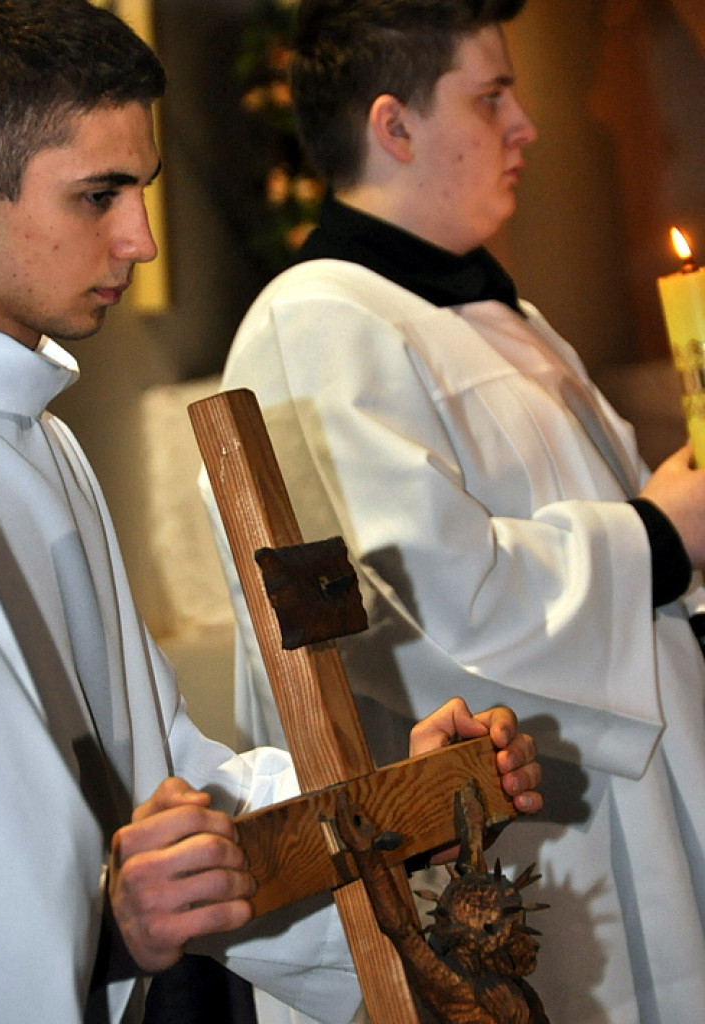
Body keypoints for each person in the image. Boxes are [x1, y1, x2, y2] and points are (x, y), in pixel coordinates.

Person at [0, 3, 543, 1023]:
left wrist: (391, 803)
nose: (138, 238)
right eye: (99, 194)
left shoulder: (42, 440)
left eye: (142, 191)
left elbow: (166, 780)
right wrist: (106, 931)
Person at [203, 1, 705, 1023]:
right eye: (491, 97)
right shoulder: (315, 322)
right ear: (394, 125)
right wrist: (658, 537)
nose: (526, 126)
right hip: (529, 861)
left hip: (647, 804)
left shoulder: (497, 313)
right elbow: (418, 615)